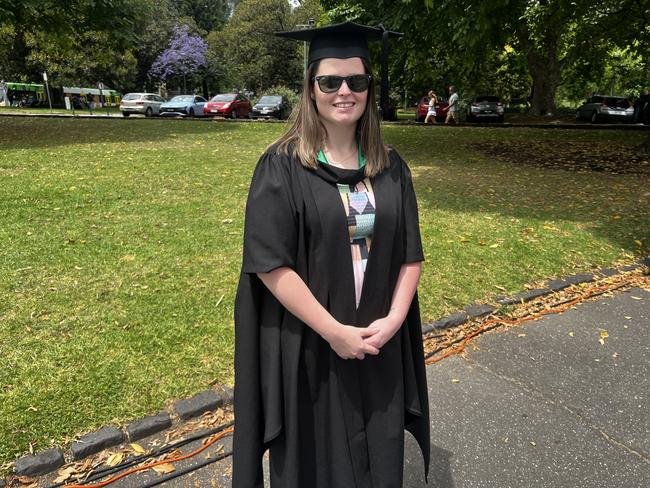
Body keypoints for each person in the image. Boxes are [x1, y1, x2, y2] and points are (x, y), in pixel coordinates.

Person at [233, 21, 430, 488]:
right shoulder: (282, 166)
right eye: (330, 81)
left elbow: (410, 255)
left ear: (369, 89)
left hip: (377, 342)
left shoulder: (390, 167)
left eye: (357, 81)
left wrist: (396, 319)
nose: (345, 91)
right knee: (315, 464)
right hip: (313, 348)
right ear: (311, 88)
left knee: (379, 460)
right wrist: (334, 332)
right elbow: (269, 264)